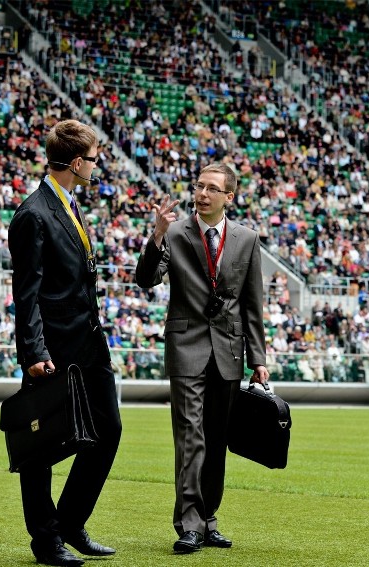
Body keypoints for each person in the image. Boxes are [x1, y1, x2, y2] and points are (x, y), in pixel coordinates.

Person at [135, 163, 269, 554]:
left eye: (212, 188)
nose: (202, 193)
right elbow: (146, 279)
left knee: (216, 440)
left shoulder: (247, 239)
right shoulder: (175, 232)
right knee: (190, 438)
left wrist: (258, 357)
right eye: (199, 186)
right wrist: (157, 235)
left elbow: (252, 304)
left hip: (229, 350)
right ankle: (189, 524)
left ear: (229, 196)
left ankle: (209, 520)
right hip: (186, 347)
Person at [8, 119, 121, 567]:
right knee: (41, 448)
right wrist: (34, 353)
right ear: (76, 162)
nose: (97, 166)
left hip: (90, 343)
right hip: (52, 350)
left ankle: (70, 522)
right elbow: (26, 293)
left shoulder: (68, 205)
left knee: (107, 430)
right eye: (94, 159)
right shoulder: (33, 213)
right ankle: (46, 541)